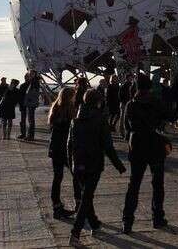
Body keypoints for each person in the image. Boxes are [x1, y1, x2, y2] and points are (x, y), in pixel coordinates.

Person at [67, 88, 125, 240]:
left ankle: (94, 224)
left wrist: (71, 164)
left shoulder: (75, 120)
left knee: (87, 196)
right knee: (87, 198)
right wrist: (118, 165)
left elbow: (69, 145)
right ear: (97, 102)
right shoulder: (100, 120)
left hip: (78, 164)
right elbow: (107, 146)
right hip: (93, 164)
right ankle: (75, 232)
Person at [122, 76, 170, 233]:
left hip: (137, 148)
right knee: (158, 185)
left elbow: (125, 128)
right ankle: (157, 218)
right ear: (150, 87)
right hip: (156, 147)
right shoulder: (156, 102)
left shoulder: (130, 104)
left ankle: (127, 221)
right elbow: (169, 115)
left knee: (134, 185)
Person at [47, 87, 77, 219]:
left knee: (57, 178)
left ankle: (57, 207)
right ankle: (80, 204)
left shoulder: (55, 108)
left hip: (55, 148)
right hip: (64, 148)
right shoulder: (68, 110)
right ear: (70, 97)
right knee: (77, 176)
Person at [21, 71, 42, 141]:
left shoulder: (34, 82)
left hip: (31, 103)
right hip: (31, 102)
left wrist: (28, 100)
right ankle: (30, 135)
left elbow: (32, 93)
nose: (29, 75)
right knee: (31, 119)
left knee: (31, 120)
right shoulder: (35, 81)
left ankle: (30, 136)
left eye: (30, 74)